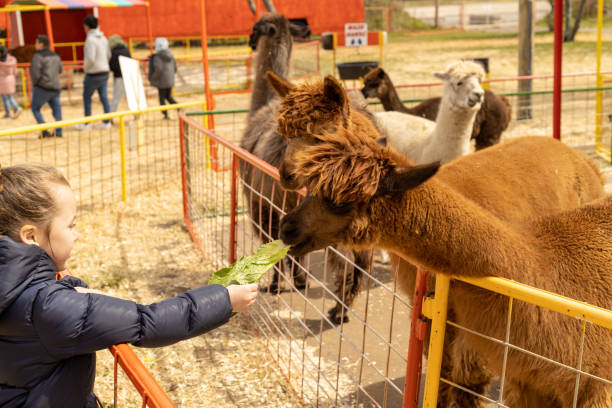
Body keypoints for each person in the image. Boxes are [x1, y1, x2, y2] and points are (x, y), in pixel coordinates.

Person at [0, 163, 259, 408]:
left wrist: (69, 288)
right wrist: (224, 300)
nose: (76, 234)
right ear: (31, 236)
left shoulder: (15, 289)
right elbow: (147, 323)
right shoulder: (50, 307)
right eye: (70, 225)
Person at [75, 15, 111, 131]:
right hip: (104, 71)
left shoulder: (90, 40)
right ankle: (107, 122)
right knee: (104, 97)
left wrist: (85, 67)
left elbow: (90, 58)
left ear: (87, 26)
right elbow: (108, 55)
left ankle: (87, 123)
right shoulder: (103, 38)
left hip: (93, 73)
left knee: (87, 97)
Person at [30, 35, 63, 138]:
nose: (35, 45)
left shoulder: (38, 56)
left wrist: (36, 83)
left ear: (41, 44)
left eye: (36, 42)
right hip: (55, 86)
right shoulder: (56, 55)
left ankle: (45, 131)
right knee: (57, 110)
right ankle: (59, 132)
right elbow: (60, 70)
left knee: (35, 108)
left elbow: (35, 73)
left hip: (43, 87)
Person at [148, 37, 178, 119]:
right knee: (168, 96)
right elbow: (175, 68)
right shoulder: (171, 55)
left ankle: (165, 114)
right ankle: (179, 109)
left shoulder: (157, 57)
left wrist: (152, 78)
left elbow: (158, 69)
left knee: (162, 98)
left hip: (161, 81)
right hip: (170, 80)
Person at [108, 34, 130, 113]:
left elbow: (111, 66)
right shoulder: (126, 50)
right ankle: (136, 117)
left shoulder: (114, 52)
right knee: (130, 98)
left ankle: (109, 117)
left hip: (119, 77)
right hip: (128, 76)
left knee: (116, 98)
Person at [0, 45, 22, 120]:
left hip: (2, 81)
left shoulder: (1, 62)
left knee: (5, 97)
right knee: (7, 96)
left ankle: (13, 109)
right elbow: (15, 72)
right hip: (11, 79)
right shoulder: (12, 60)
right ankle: (11, 111)